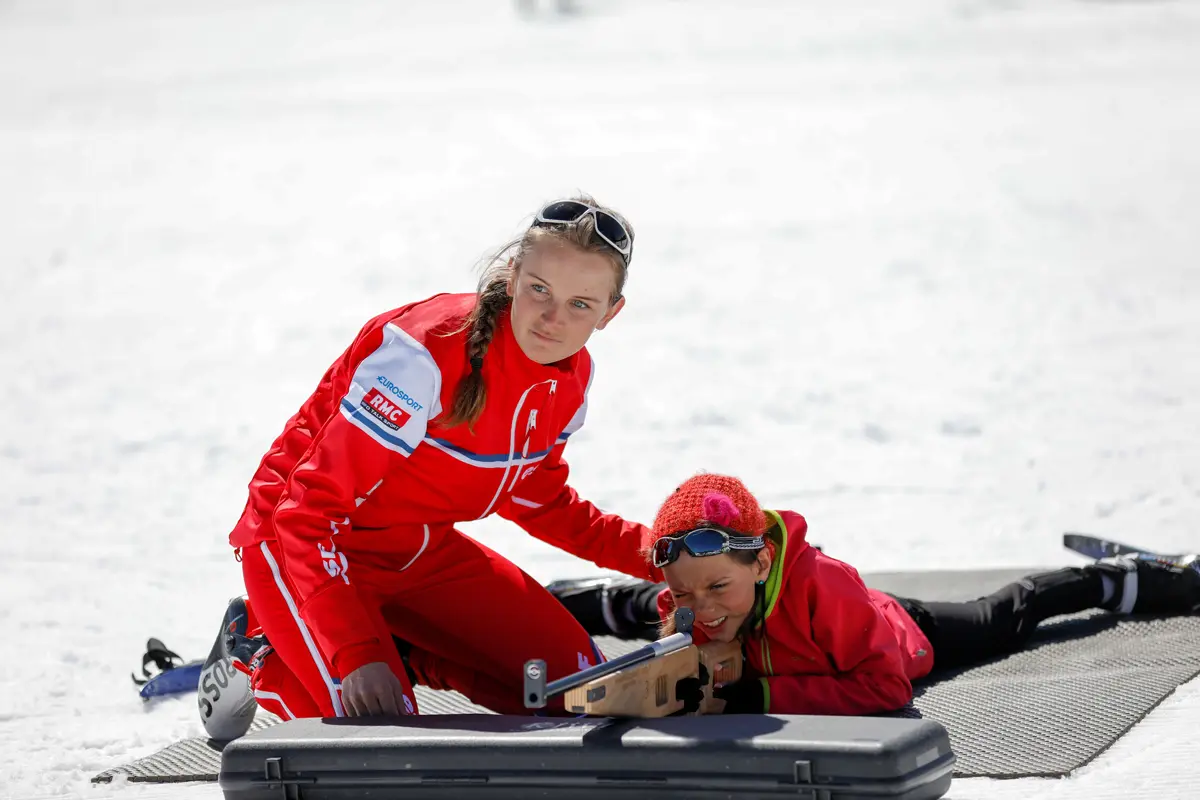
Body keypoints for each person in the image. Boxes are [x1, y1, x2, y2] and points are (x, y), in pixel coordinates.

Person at [201, 194, 663, 739]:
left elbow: (538, 500)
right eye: (539, 289)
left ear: (612, 312)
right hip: (303, 546)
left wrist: (668, 559)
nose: (552, 318)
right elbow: (306, 514)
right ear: (513, 277)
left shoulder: (570, 378)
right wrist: (356, 653)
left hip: (416, 547)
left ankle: (411, 655)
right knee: (384, 735)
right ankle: (258, 653)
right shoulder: (421, 354)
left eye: (581, 304)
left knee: (577, 689)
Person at [550, 473, 1200, 715]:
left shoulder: (822, 587)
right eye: (684, 591)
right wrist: (676, 646)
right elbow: (682, 617)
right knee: (640, 611)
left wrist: (756, 695)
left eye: (718, 585)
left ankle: (1122, 579)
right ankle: (571, 595)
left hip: (902, 634)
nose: (703, 606)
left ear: (762, 560)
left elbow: (885, 689)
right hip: (812, 621)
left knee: (1012, 613)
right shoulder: (688, 597)